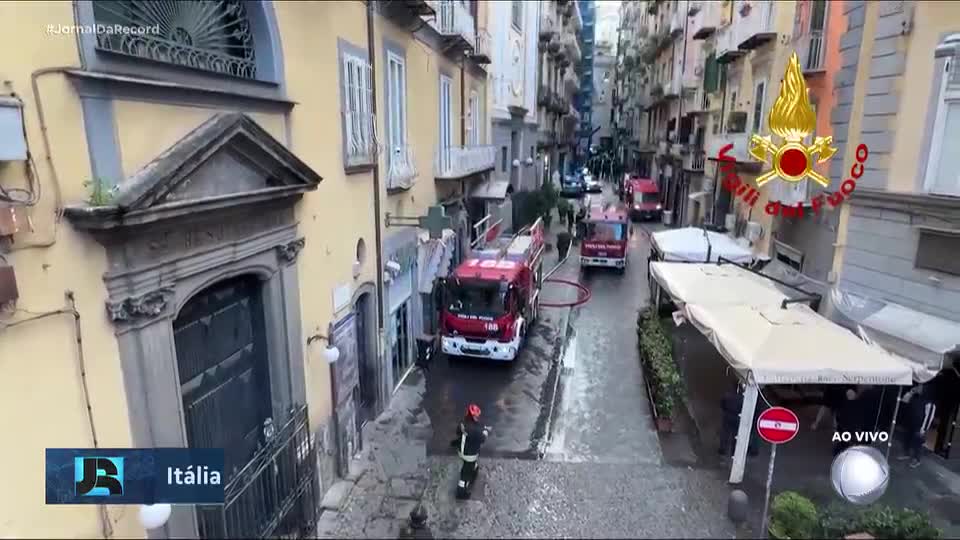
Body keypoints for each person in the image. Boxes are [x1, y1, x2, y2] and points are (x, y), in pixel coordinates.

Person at [450, 404, 489, 498]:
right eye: (476, 416)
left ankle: (474, 469)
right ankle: (461, 492)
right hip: (470, 455)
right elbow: (482, 439)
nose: (477, 417)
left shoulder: (462, 423)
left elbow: (458, 432)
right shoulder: (476, 429)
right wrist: (485, 431)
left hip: (461, 450)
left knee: (469, 465)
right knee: (466, 473)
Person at [898, 385, 937, 468]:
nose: (918, 388)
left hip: (920, 426)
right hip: (910, 422)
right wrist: (911, 392)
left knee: (918, 443)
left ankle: (917, 459)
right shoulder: (915, 397)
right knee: (907, 438)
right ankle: (906, 453)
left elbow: (929, 417)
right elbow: (904, 401)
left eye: (920, 387)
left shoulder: (929, 402)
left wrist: (923, 429)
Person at [718, 383, 759, 457]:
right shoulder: (743, 398)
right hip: (737, 417)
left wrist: (726, 411)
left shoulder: (727, 395)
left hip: (728, 416)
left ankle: (722, 449)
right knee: (736, 435)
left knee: (725, 433)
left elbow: (722, 404)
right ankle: (734, 451)